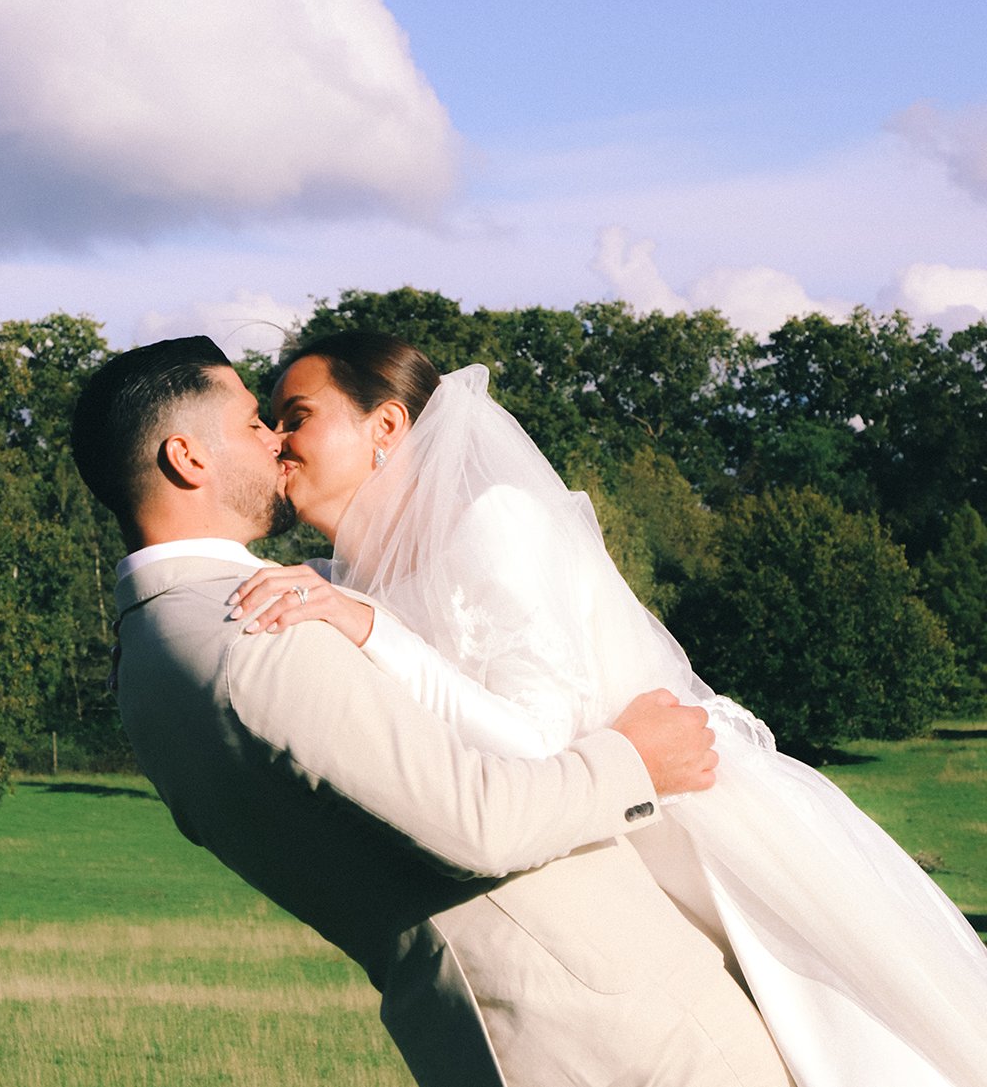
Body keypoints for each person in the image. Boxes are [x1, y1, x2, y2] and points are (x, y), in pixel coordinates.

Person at [229, 331, 987, 1087]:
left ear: (385, 427)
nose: (277, 438)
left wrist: (371, 630)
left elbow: (536, 740)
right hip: (605, 880)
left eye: (296, 413)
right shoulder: (350, 584)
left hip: (705, 845)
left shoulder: (491, 523)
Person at [68, 336, 789, 1087]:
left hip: (477, 1031)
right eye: (255, 422)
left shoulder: (146, 662)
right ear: (188, 458)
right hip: (620, 1030)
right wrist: (635, 758)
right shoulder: (255, 633)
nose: (275, 440)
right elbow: (480, 822)